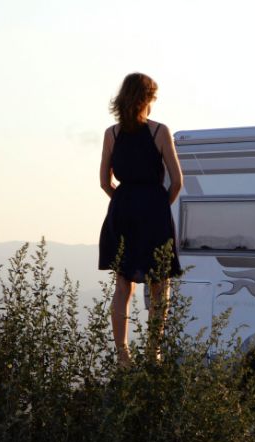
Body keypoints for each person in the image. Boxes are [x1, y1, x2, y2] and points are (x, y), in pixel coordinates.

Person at [98, 73, 183, 367]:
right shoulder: (160, 131)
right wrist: (157, 206)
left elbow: (104, 182)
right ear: (147, 98)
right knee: (160, 284)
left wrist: (124, 202)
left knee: (123, 285)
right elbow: (177, 182)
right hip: (153, 211)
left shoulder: (112, 134)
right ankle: (153, 351)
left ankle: (123, 355)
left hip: (122, 210)